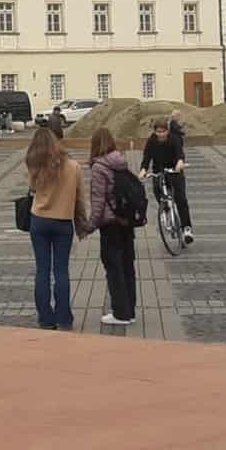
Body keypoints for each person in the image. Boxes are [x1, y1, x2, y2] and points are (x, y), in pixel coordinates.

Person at [24, 125, 88, 330]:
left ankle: (45, 318)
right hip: (63, 222)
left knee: (42, 270)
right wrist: (81, 223)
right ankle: (64, 318)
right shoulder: (73, 166)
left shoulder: (35, 165)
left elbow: (33, 189)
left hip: (39, 220)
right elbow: (80, 198)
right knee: (61, 271)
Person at [84, 127, 137, 326]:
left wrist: (89, 226)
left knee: (114, 268)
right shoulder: (120, 161)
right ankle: (130, 310)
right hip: (126, 221)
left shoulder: (99, 167)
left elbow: (98, 203)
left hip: (110, 224)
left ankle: (121, 313)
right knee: (127, 266)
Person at [138, 116, 195, 245]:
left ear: (167, 131)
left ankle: (187, 228)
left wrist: (180, 162)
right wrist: (143, 170)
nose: (161, 134)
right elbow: (146, 158)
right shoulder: (151, 141)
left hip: (174, 171)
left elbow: (180, 153)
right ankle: (166, 211)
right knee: (158, 193)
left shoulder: (174, 139)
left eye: (163, 131)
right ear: (154, 132)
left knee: (181, 199)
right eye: (158, 132)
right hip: (159, 171)